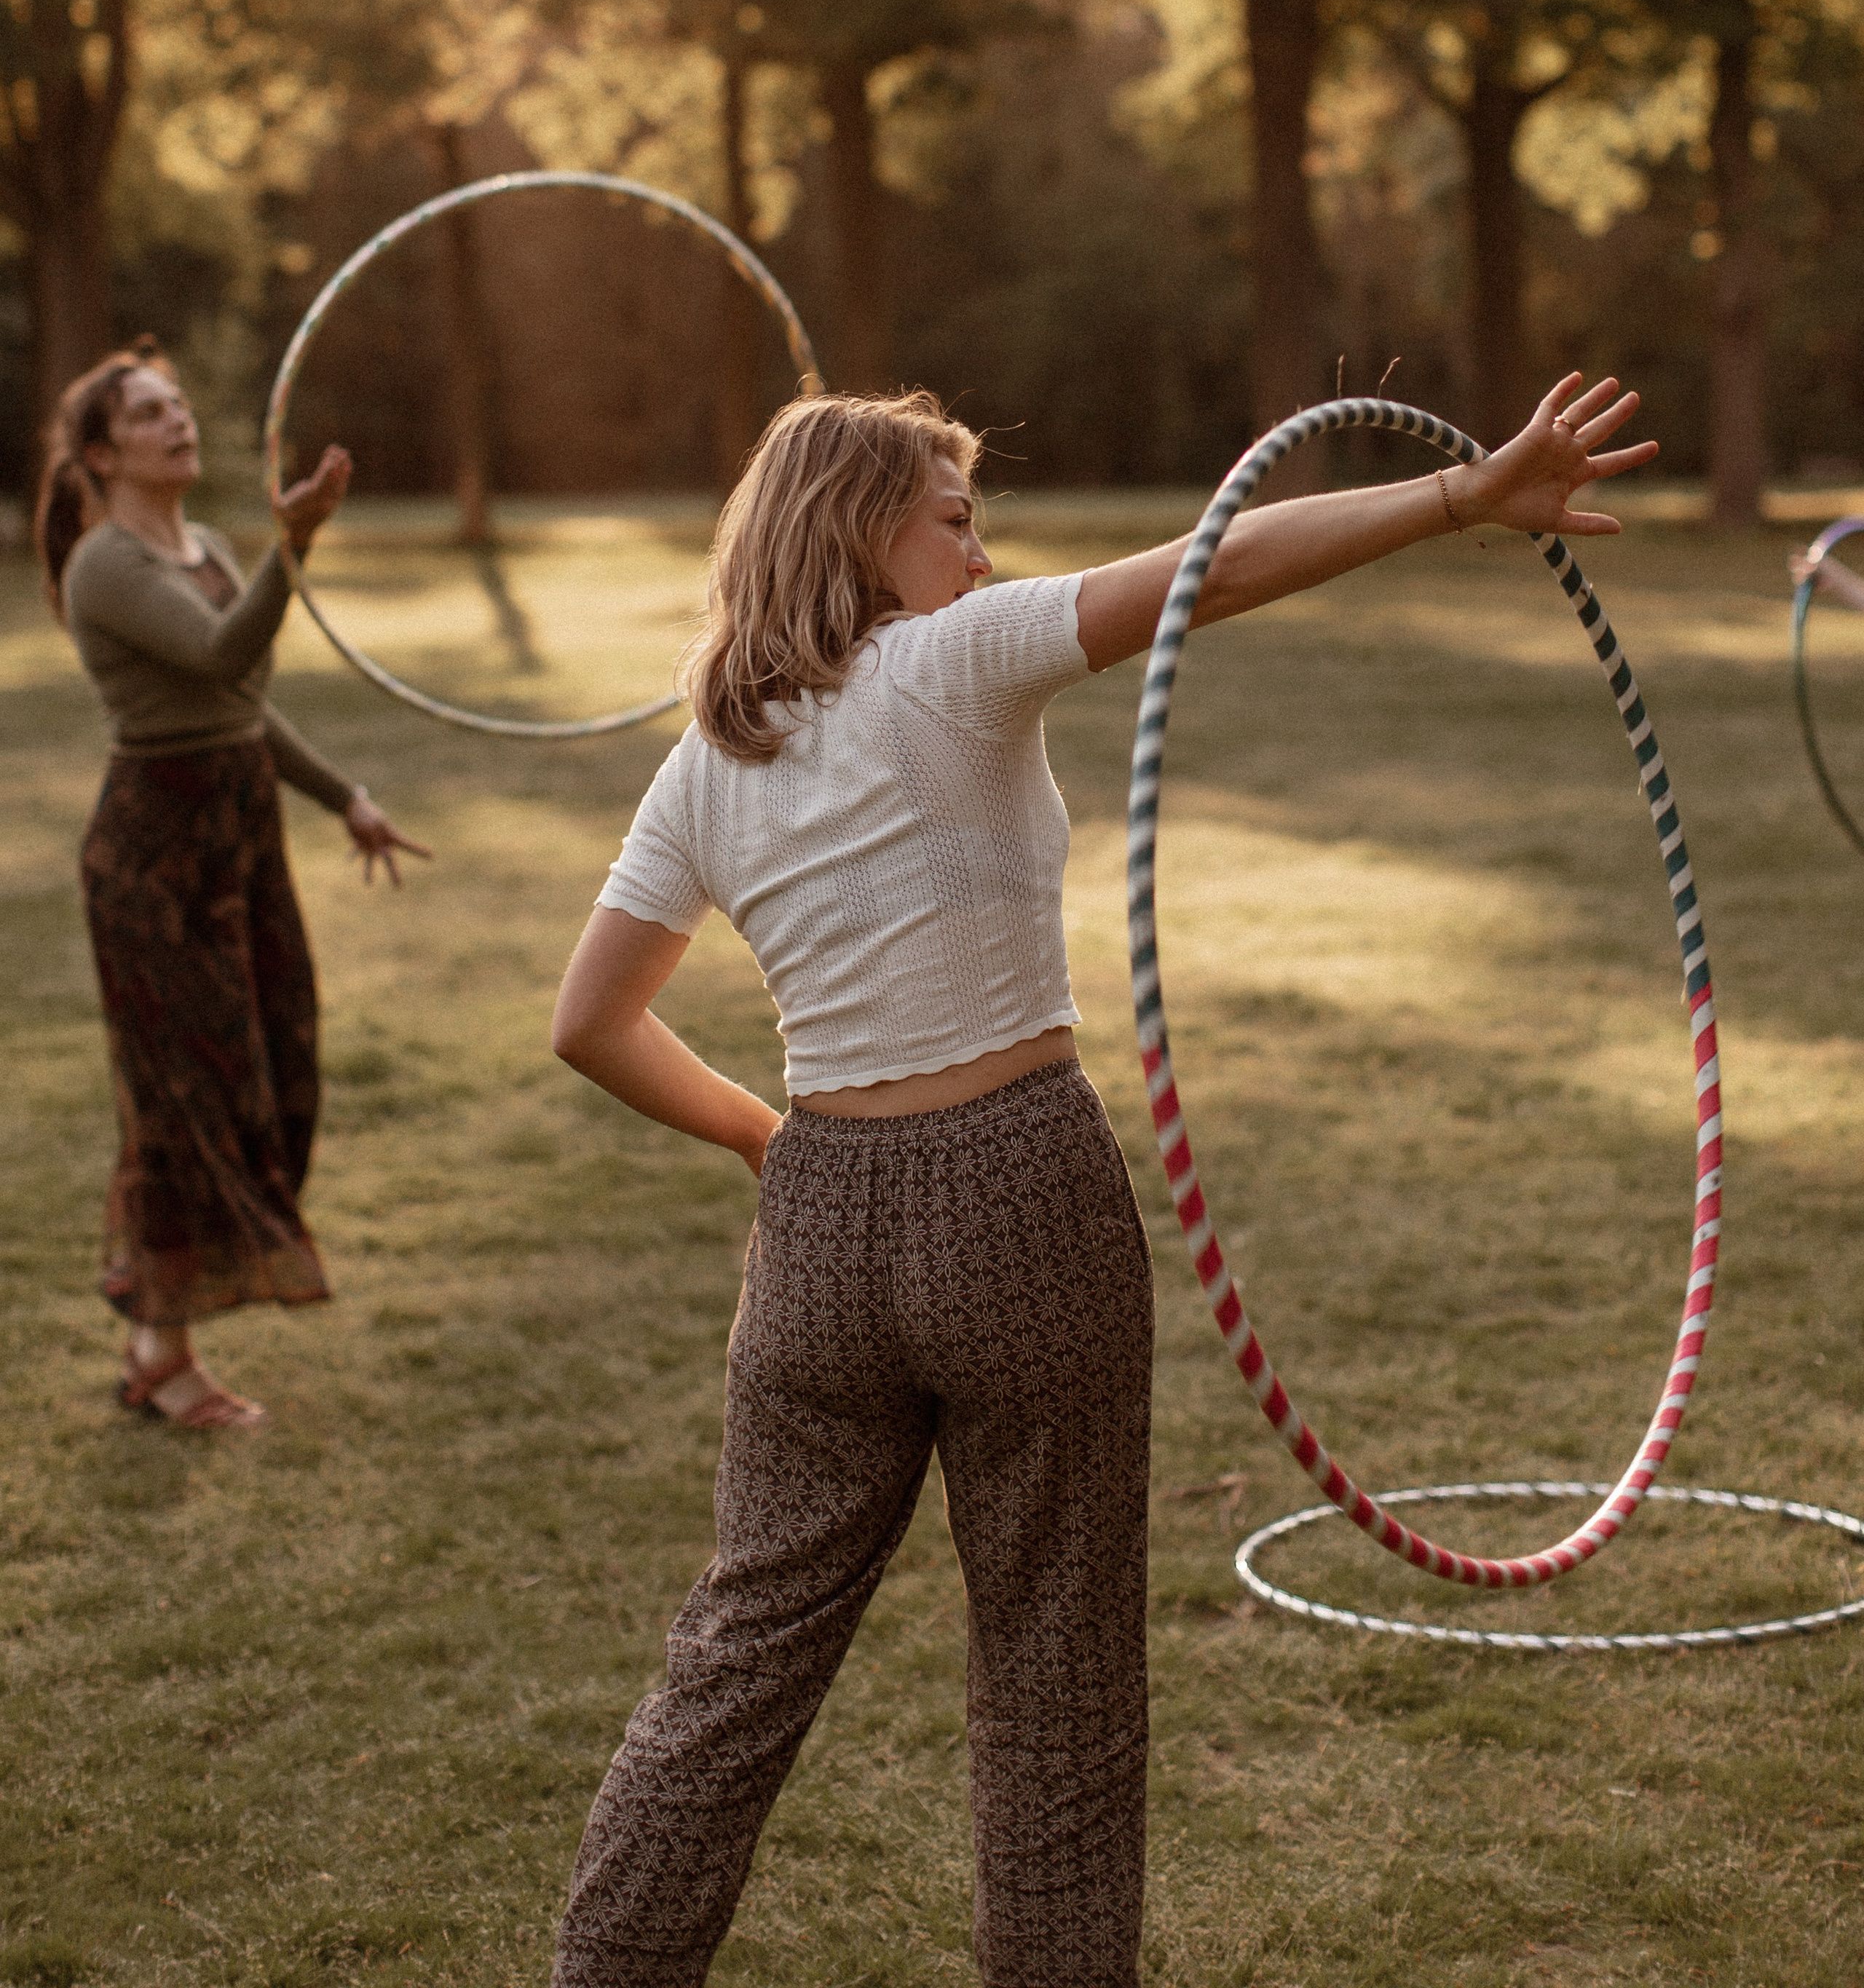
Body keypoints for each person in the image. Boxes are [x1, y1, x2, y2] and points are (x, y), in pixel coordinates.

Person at [548, 368, 1655, 1988]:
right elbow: (1217, 558)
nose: (979, 553)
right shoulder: (951, 661)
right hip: (1014, 1190)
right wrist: (1458, 496)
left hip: (820, 1227)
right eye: (953, 519)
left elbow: (589, 1022)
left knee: (739, 1650)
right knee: (1053, 1668)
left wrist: (761, 1141)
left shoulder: (711, 753)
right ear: (862, 535)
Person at [36, 341, 430, 1431]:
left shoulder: (205, 543)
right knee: (182, 1100)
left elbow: (242, 706)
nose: (178, 422)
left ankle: (153, 1329)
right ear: (105, 451)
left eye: (177, 405)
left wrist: (342, 794)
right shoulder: (103, 566)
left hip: (239, 841)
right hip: (152, 862)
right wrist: (293, 545)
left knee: (280, 1072)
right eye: (151, 412)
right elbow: (219, 656)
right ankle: (163, 1356)